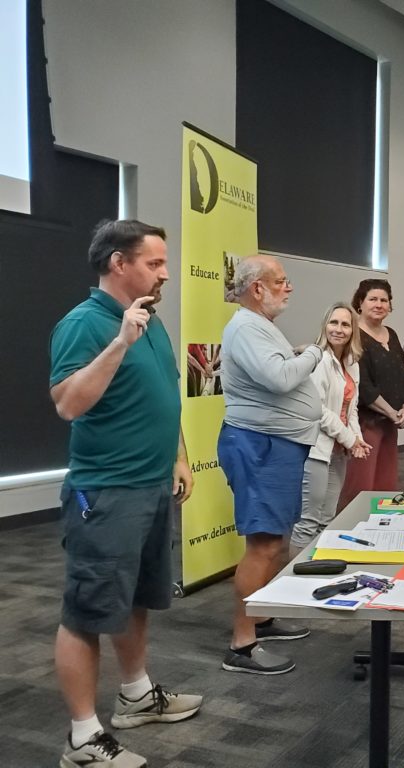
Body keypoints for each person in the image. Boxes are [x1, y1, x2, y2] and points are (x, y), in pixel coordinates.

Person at [49, 219, 201, 768]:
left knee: (136, 597)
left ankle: (135, 696)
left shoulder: (149, 320)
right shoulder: (85, 324)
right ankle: (82, 739)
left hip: (152, 484)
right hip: (105, 493)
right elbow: (68, 403)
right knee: (85, 613)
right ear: (119, 263)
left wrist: (179, 454)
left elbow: (163, 393)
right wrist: (119, 343)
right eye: (154, 263)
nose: (165, 273)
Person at [218, 254, 323, 675]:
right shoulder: (245, 325)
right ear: (257, 288)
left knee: (275, 541)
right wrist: (314, 354)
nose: (290, 287)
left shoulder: (258, 326)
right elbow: (278, 379)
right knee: (262, 545)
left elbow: (274, 371)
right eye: (282, 280)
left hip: (276, 445)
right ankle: (242, 645)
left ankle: (260, 618)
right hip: (259, 447)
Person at [290, 302, 372, 556]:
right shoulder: (319, 360)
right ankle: (295, 584)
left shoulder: (351, 363)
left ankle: (317, 572)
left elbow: (351, 408)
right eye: (333, 322)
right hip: (316, 449)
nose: (338, 329)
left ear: (353, 330)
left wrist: (357, 438)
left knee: (327, 521)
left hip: (338, 451)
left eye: (345, 324)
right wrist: (350, 440)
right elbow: (319, 410)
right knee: (307, 523)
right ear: (324, 325)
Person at [336, 279, 404, 510]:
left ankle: (381, 537)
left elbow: (403, 373)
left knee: (386, 485)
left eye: (384, 300)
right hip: (363, 424)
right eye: (373, 299)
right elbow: (363, 385)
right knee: (360, 487)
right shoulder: (353, 336)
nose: (379, 304)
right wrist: (391, 411)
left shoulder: (391, 333)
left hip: (390, 423)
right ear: (360, 303)